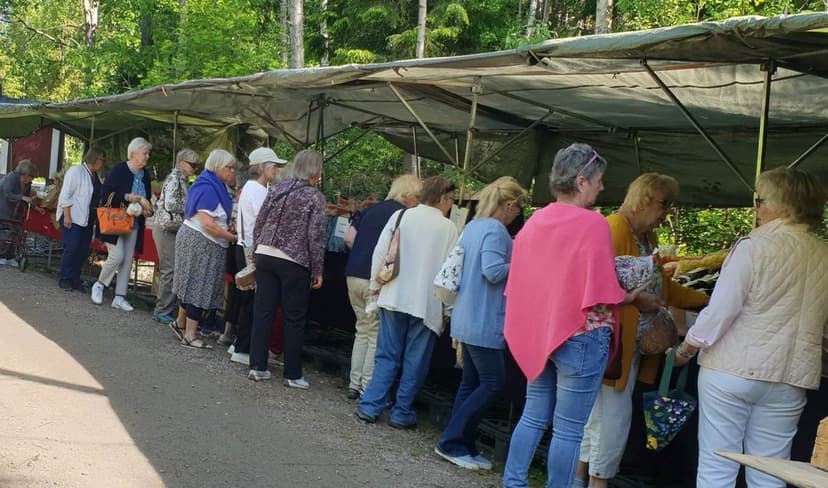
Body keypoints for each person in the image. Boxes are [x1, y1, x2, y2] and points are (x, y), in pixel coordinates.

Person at [500, 143, 652, 488]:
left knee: (533, 415)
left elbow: (522, 281)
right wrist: (633, 295)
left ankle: (512, 482)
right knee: (569, 429)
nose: (601, 187)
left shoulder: (536, 220)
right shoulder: (592, 224)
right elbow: (603, 291)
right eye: (598, 180)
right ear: (582, 180)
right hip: (583, 337)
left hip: (541, 333)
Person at [672, 167, 828, 488]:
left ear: (785, 205)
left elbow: (720, 311)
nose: (756, 208)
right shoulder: (823, 253)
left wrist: (687, 348)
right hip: (790, 376)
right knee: (772, 470)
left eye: (761, 200)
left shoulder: (753, 247)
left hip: (732, 369)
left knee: (718, 466)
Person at [576, 173, 708, 487]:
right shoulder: (614, 227)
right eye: (664, 203)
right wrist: (635, 301)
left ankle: (576, 477)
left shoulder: (644, 237)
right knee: (613, 418)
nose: (666, 212)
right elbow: (594, 285)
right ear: (645, 199)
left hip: (623, 345)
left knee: (599, 416)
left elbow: (665, 288)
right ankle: (597, 482)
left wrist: (707, 300)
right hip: (611, 343)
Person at [435, 176, 527, 470]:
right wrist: (524, 262)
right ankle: (450, 441)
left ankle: (463, 443)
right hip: (485, 321)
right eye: (518, 208)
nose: (517, 214)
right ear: (509, 204)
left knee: (470, 383)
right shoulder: (497, 231)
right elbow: (493, 271)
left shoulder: (473, 226)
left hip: (466, 316)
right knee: (492, 382)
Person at [355, 176, 459, 428]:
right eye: (451, 199)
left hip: (394, 294)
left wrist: (374, 287)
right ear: (442, 198)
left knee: (387, 355)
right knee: (415, 361)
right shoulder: (448, 229)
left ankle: (371, 404)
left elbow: (381, 253)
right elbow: (451, 272)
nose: (452, 204)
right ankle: (401, 412)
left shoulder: (402, 216)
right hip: (427, 303)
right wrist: (448, 308)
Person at [247, 149, 326, 388]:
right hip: (294, 260)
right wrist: (318, 269)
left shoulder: (278, 189)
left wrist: (255, 252)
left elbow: (260, 221)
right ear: (315, 171)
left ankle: (257, 366)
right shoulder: (315, 197)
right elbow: (316, 236)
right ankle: (292, 373)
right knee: (294, 317)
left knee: (263, 312)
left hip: (265, 254)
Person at [344, 174, 421, 400]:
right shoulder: (404, 216)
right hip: (374, 279)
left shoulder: (370, 209)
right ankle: (367, 387)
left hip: (352, 274)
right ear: (407, 196)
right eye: (417, 196)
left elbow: (348, 238)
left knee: (362, 329)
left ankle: (353, 382)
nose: (419, 201)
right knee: (375, 333)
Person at [172, 149, 238, 350]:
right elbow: (208, 223)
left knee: (190, 284)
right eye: (229, 167)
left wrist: (227, 226)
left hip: (197, 240)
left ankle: (180, 323)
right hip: (202, 242)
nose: (232, 171)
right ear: (218, 166)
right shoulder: (210, 187)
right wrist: (232, 237)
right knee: (198, 288)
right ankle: (190, 335)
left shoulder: (209, 183)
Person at [229, 147, 287, 366]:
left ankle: (239, 343)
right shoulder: (259, 191)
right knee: (254, 303)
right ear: (262, 167)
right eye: (273, 166)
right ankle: (244, 348)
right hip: (252, 251)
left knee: (248, 301)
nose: (275, 170)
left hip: (244, 247)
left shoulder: (249, 188)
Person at [90, 137, 153, 311]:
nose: (147, 156)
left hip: (135, 222)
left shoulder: (145, 174)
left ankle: (120, 296)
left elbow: (146, 198)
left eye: (148, 153)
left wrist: (147, 209)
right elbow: (105, 195)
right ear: (133, 153)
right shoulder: (119, 169)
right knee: (117, 256)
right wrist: (127, 197)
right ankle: (99, 285)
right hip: (115, 221)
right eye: (144, 153)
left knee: (127, 260)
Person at [151, 148, 199, 324]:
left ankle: (165, 308)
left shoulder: (181, 180)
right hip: (166, 228)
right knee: (169, 269)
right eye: (192, 164)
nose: (194, 168)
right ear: (181, 162)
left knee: (172, 268)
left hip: (171, 228)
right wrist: (189, 208)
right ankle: (162, 309)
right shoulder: (174, 179)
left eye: (196, 165)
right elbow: (170, 204)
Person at [56, 147, 105, 291]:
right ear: (95, 159)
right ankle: (65, 277)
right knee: (72, 247)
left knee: (82, 250)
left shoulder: (95, 176)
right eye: (102, 159)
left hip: (87, 219)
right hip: (73, 216)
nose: (103, 162)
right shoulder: (76, 171)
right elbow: (66, 194)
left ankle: (75, 278)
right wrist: (67, 215)